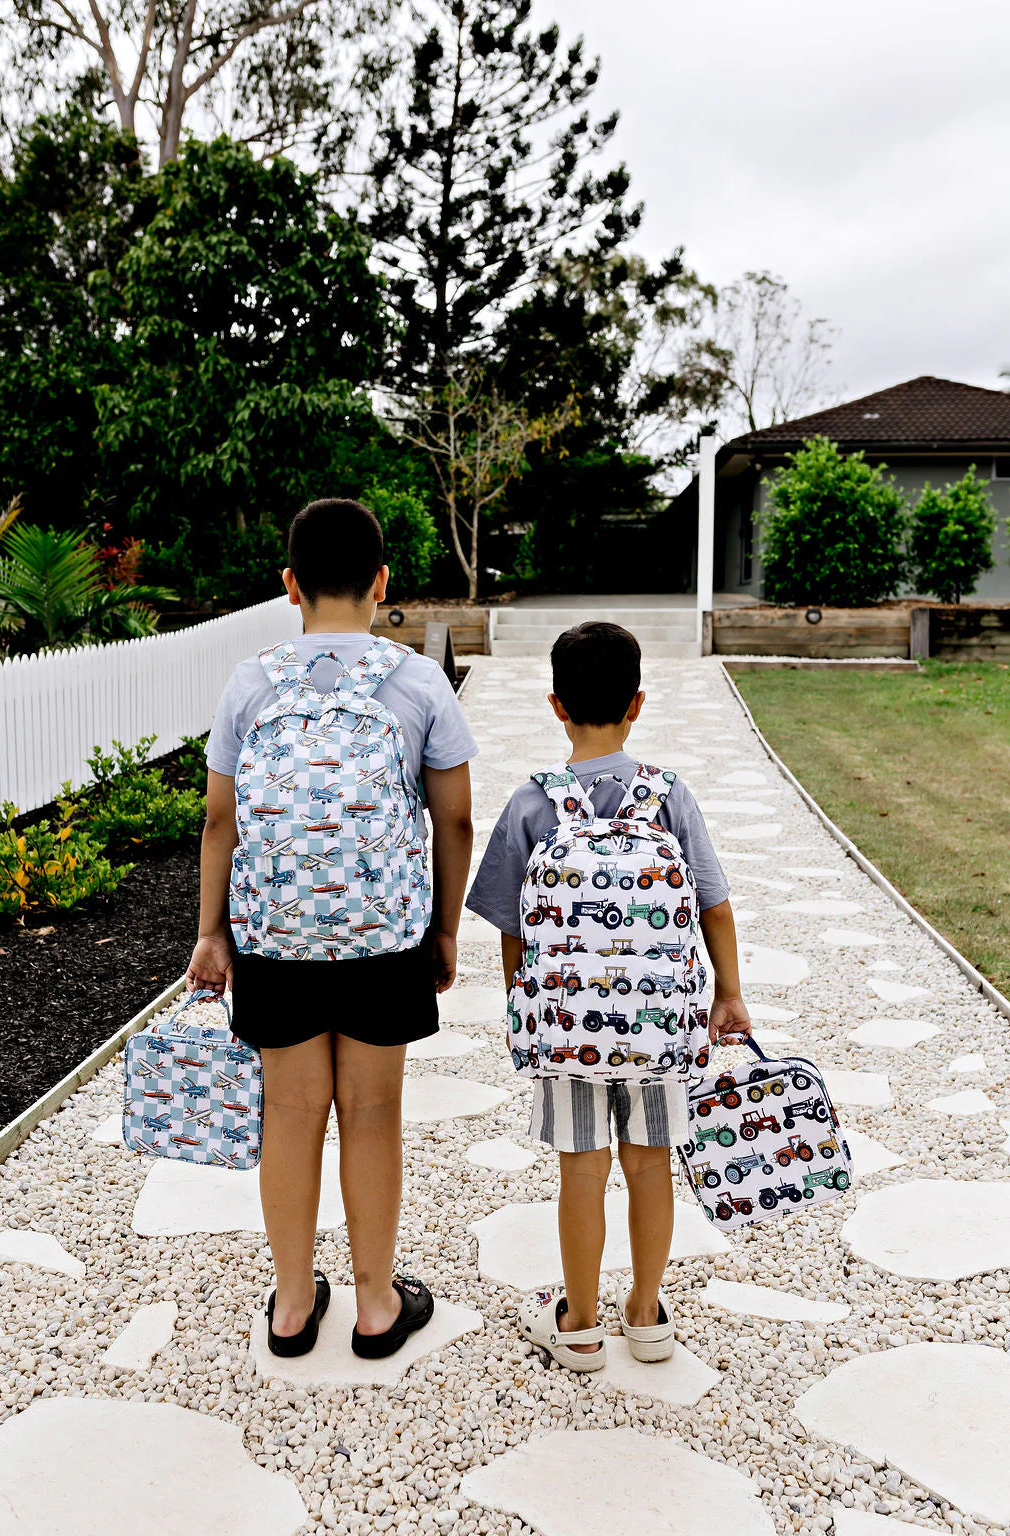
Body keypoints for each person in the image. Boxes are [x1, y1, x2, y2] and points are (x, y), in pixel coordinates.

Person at [187, 498, 476, 1359]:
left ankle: (290, 1306)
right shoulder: (418, 681)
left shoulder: (251, 682)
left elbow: (219, 821)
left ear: (291, 585)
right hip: (385, 936)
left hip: (276, 937)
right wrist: (443, 929)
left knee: (290, 1113)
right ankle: (377, 1305)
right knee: (373, 1112)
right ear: (382, 583)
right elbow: (455, 819)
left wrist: (213, 934)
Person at [466, 621, 750, 1370]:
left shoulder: (533, 804)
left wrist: (524, 1003)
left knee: (582, 1171)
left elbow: (511, 926)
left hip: (568, 1029)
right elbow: (714, 906)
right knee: (651, 1165)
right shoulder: (669, 796)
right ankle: (647, 1316)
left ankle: (581, 1323)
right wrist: (728, 993)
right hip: (659, 1027)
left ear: (556, 705)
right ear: (638, 703)